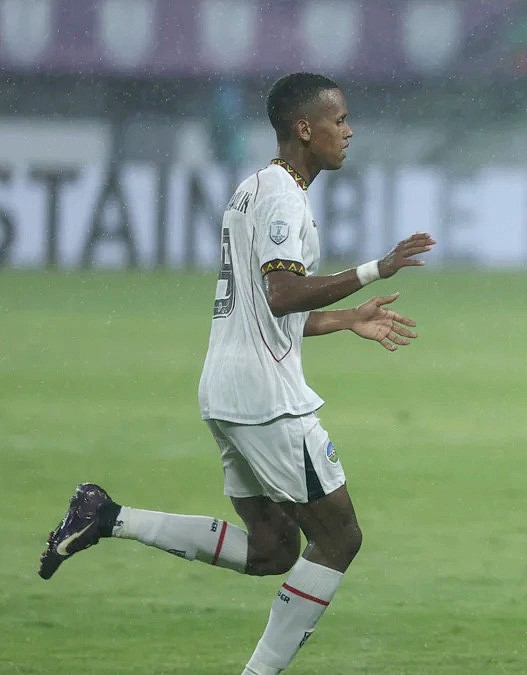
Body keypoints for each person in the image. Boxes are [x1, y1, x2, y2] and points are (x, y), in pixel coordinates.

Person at [37, 72, 437, 675]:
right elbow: (282, 295)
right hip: (266, 400)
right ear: (305, 128)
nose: (349, 132)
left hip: (226, 390)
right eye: (339, 120)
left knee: (273, 550)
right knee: (339, 538)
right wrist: (374, 269)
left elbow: (265, 314)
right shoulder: (281, 196)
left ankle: (107, 515)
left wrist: (347, 319)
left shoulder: (250, 191)